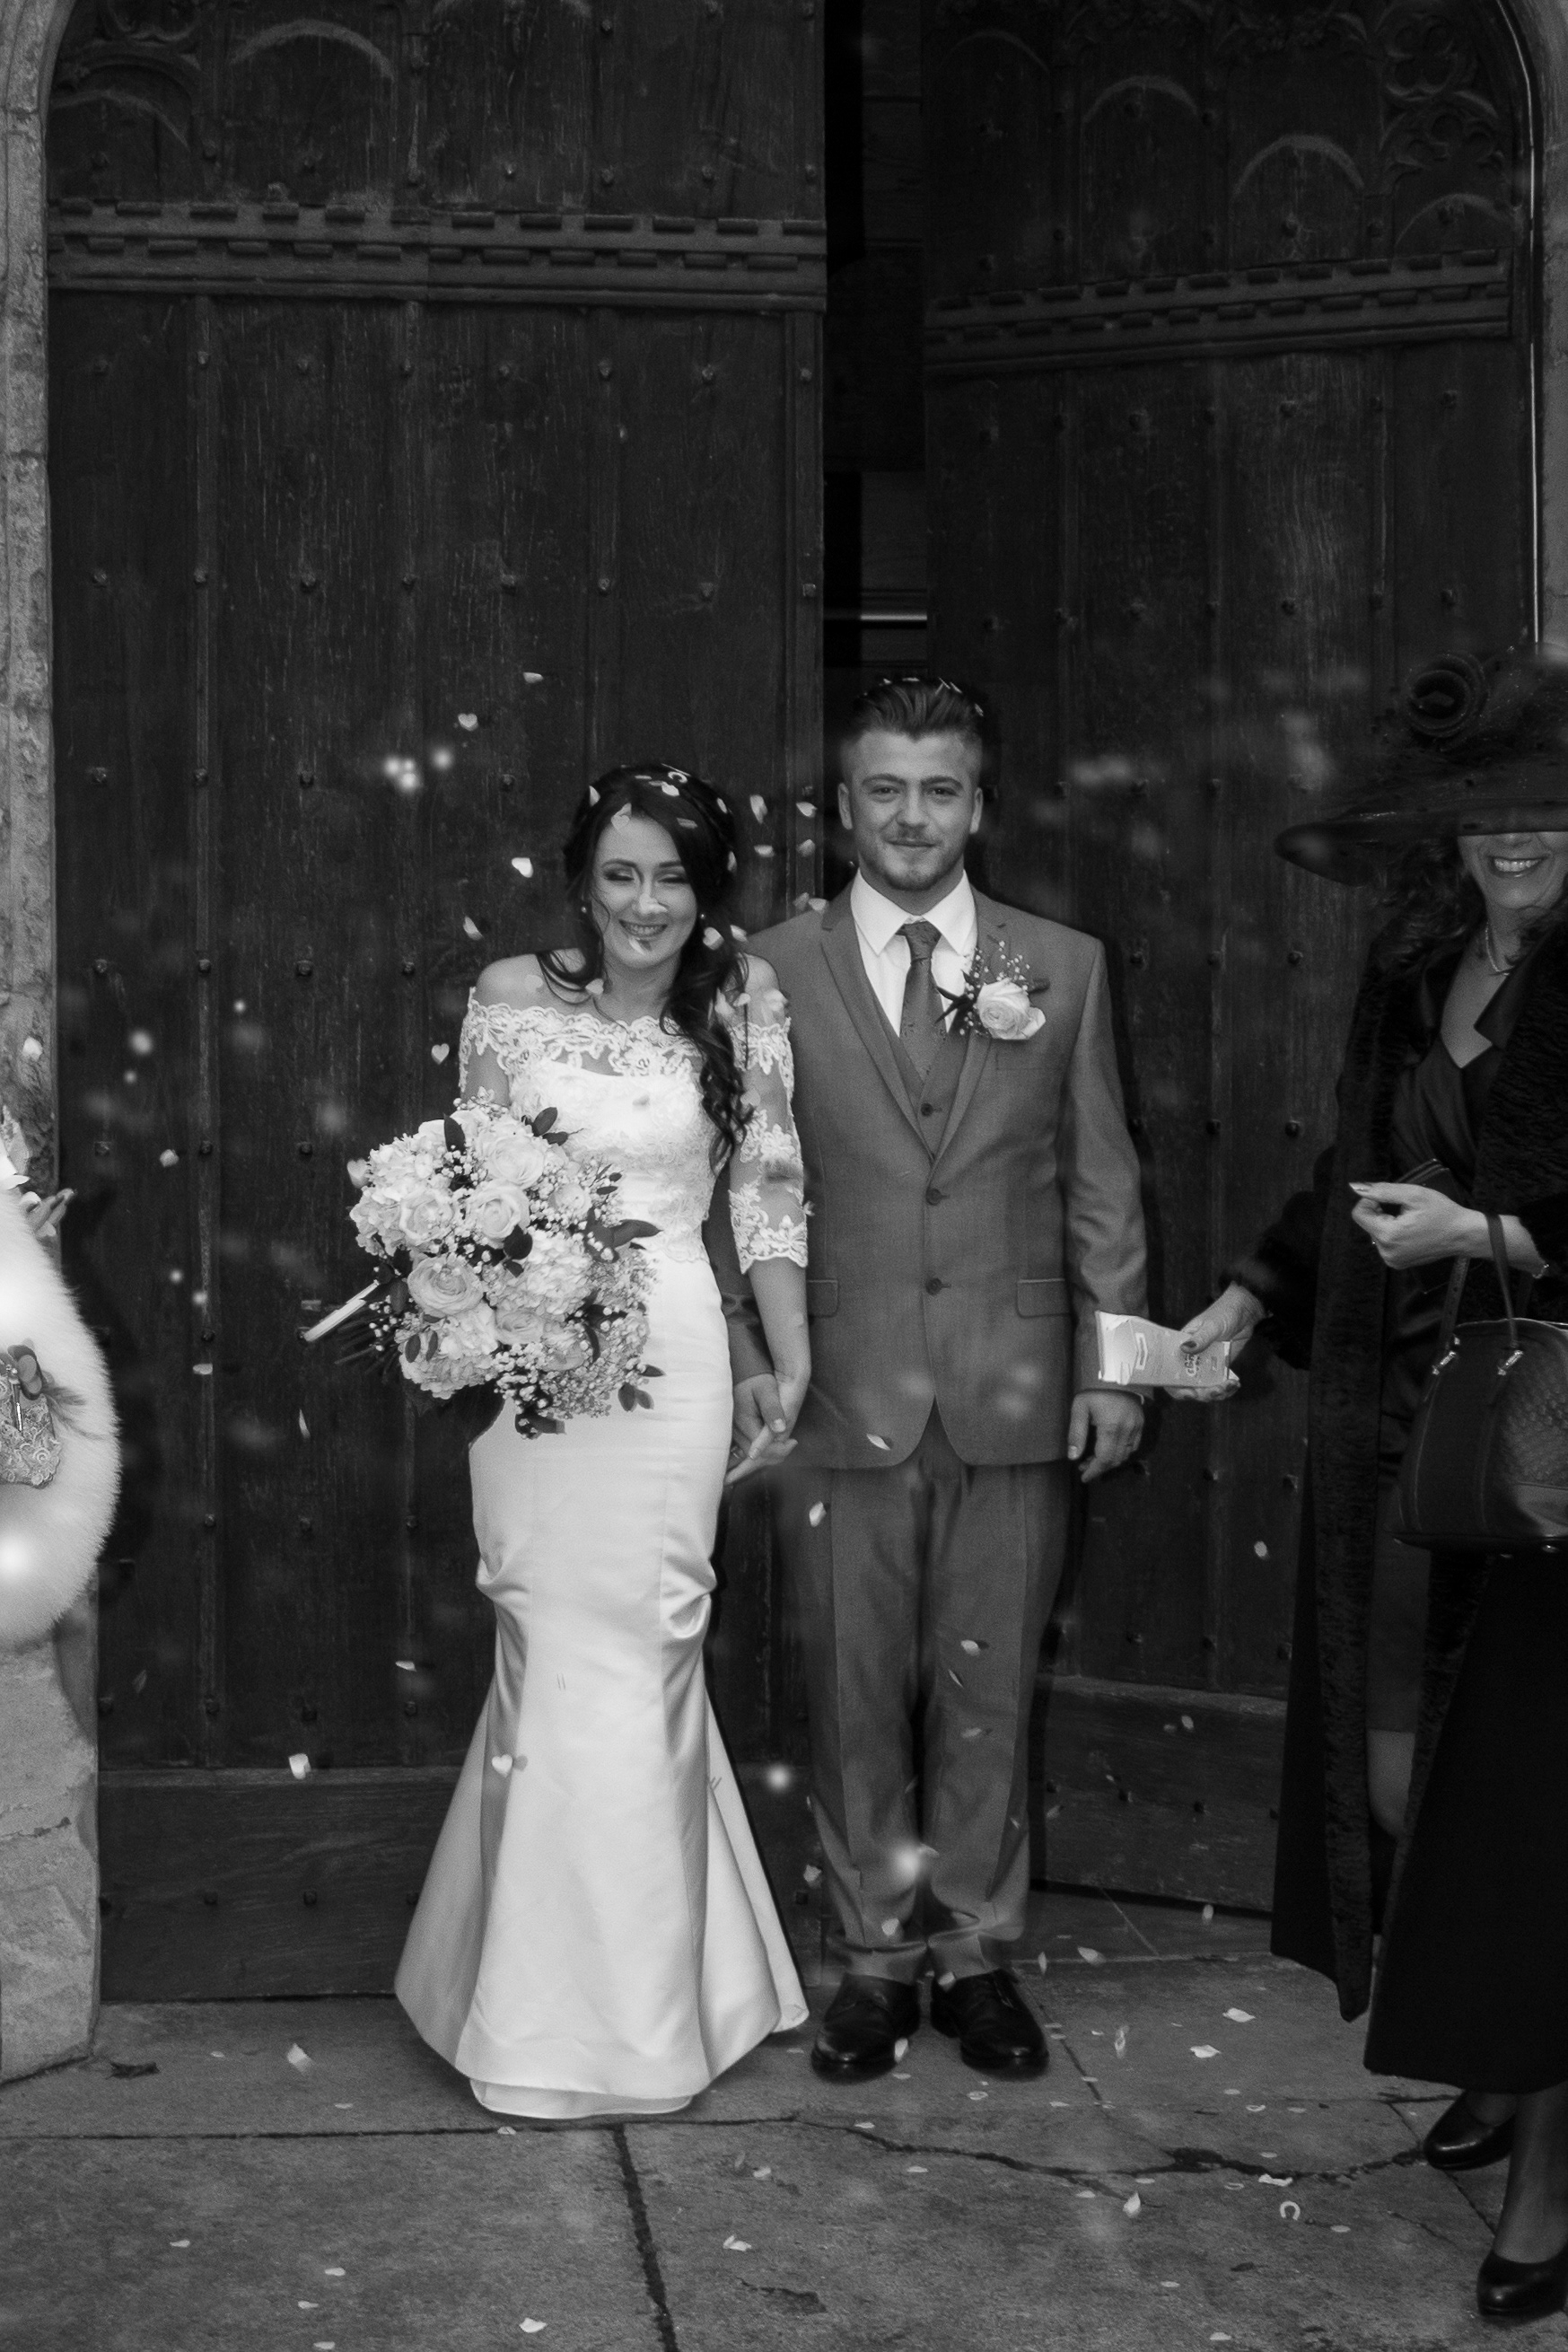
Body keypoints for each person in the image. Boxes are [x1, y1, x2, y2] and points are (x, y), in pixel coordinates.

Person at [1177, 647, 1568, 2323]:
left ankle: (1551, 2167)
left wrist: (1497, 1234)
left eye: (1548, 812)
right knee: (1408, 1779)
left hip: (1557, 1465)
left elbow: (1495, 1206)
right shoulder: (1421, 965)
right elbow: (1358, 1168)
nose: (1515, 840)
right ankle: (1501, 2055)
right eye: (1486, 814)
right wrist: (1255, 1292)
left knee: (1538, 1816)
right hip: (1415, 1431)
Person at [722, 676, 1148, 2084]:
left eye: (941, 790)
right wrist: (753, 1358)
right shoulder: (767, 970)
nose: (914, 817)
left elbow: (1101, 1179)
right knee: (853, 1692)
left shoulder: (1061, 965)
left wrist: (1116, 1364)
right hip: (840, 1388)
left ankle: (974, 1954)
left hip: (1012, 1385)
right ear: (844, 806)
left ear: (980, 803)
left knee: (989, 1688)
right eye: (887, 790)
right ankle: (871, 1957)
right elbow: (747, 1182)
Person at [396, 764, 811, 2119]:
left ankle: (634, 2023)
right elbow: (469, 1185)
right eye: (621, 874)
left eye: (672, 877)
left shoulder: (744, 999)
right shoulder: (511, 997)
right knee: (549, 1642)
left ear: (708, 889)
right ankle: (532, 2003)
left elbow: (765, 1191)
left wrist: (782, 1354)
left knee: (645, 1650)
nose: (645, 904)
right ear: (584, 880)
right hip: (533, 1368)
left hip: (673, 1354)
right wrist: (463, 1305)